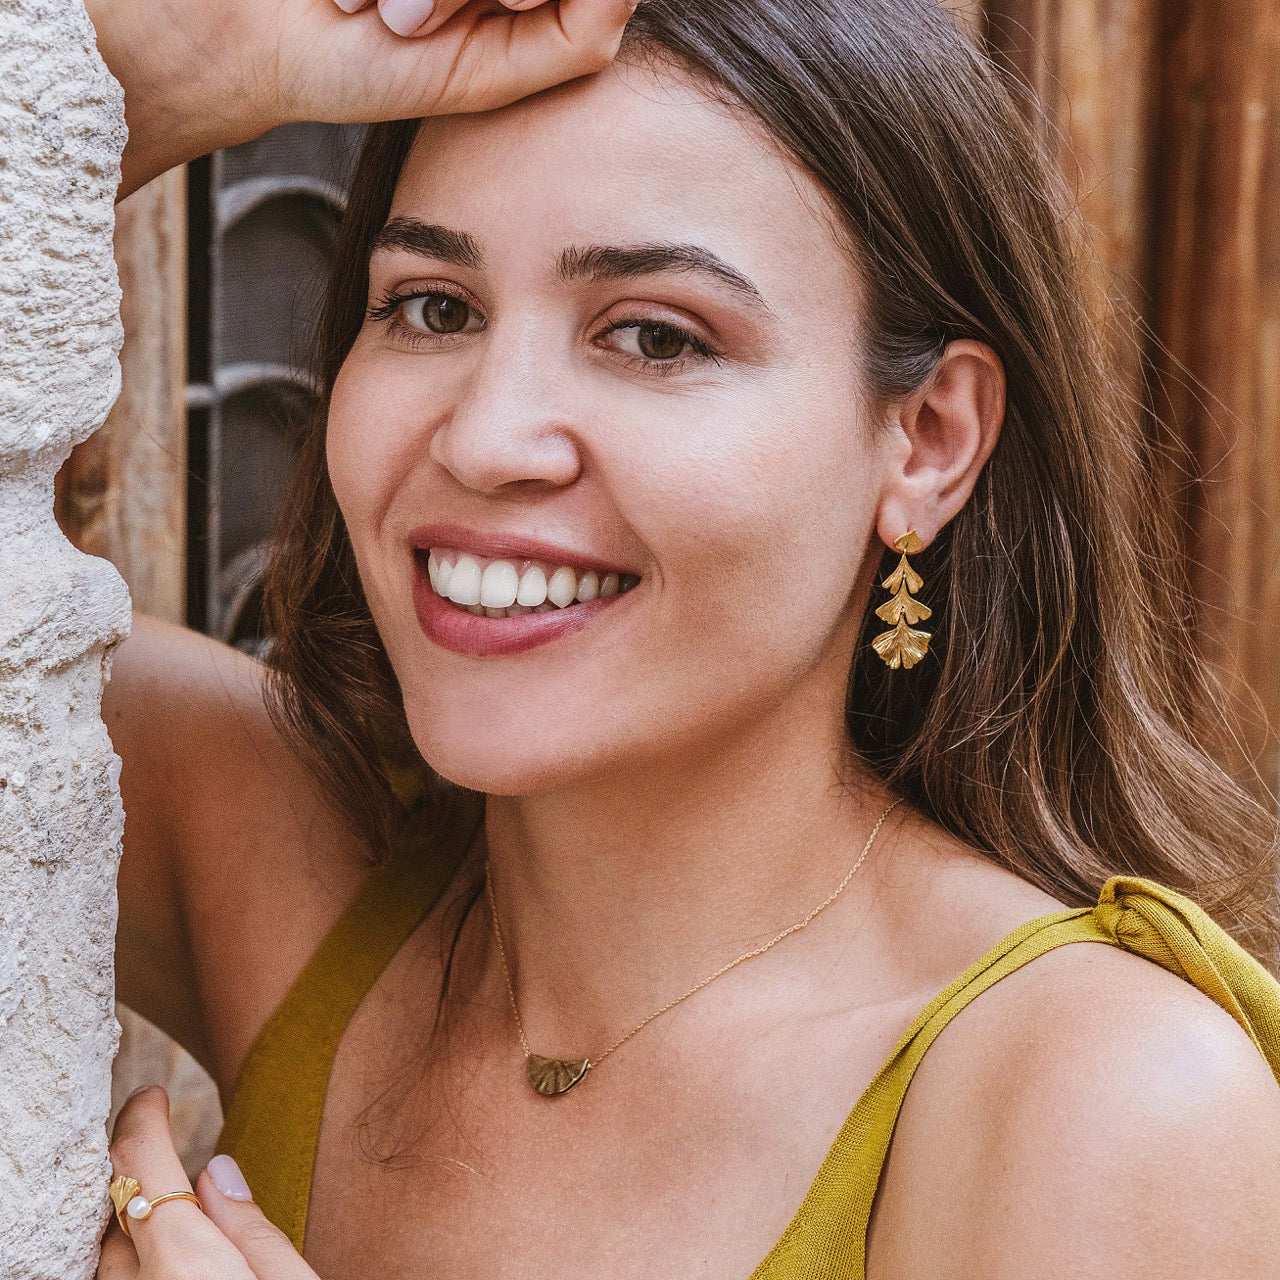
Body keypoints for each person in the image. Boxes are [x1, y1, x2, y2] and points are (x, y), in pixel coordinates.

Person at [85, 0, 1280, 1276]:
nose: (486, 438)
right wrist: (136, 95)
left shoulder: (1101, 1100)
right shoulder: (277, 858)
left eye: (656, 336)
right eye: (434, 308)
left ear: (927, 438)